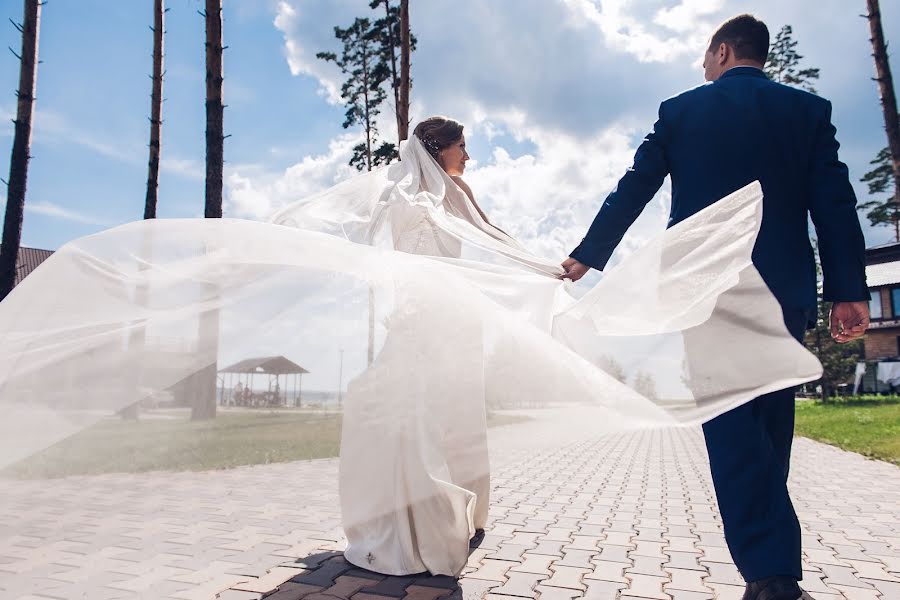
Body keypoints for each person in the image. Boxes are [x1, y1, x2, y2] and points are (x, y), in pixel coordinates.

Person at [560, 15, 870, 600]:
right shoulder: (808, 111)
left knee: (731, 423)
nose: (703, 70)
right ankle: (774, 562)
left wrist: (587, 255)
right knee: (771, 425)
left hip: (705, 288)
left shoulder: (681, 111)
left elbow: (635, 186)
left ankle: (770, 575)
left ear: (723, 51)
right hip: (782, 287)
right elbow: (835, 203)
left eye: (706, 58)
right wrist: (848, 289)